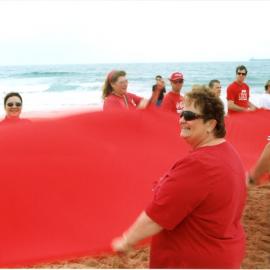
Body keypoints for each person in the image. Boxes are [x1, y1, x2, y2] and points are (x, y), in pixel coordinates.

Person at [112, 86, 246, 268]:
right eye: (181, 114)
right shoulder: (229, 153)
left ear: (211, 124)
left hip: (191, 261)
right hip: (223, 254)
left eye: (190, 116)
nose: (182, 120)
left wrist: (127, 241)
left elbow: (157, 217)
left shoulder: (200, 164)